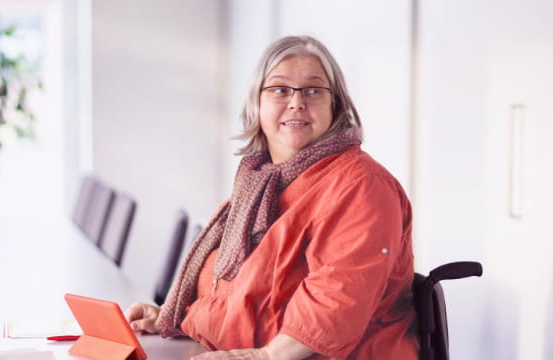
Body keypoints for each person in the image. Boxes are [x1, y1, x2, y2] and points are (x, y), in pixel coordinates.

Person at [126, 35, 418, 360]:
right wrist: (175, 318)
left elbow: (335, 304)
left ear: (335, 104)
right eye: (280, 89)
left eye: (313, 90)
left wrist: (262, 356)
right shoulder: (259, 183)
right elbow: (233, 297)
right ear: (257, 103)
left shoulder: (362, 185)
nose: (296, 102)